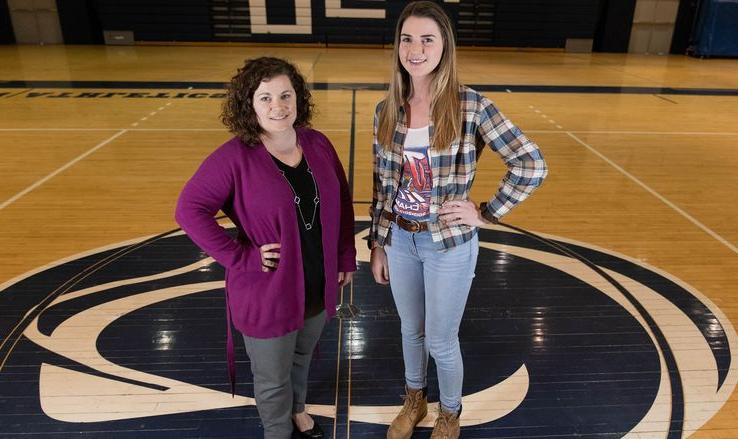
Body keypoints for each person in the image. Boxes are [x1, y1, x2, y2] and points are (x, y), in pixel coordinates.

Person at [367, 2, 548, 438]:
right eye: (407, 38)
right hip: (401, 242)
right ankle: (415, 401)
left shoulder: (471, 107)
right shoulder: (387, 108)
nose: (416, 48)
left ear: (445, 45)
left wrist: (485, 212)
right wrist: (377, 241)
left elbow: (531, 164)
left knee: (441, 341)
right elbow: (382, 183)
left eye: (427, 38)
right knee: (411, 330)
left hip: (448, 244)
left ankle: (449, 413)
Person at [175, 57, 356, 439]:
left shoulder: (317, 143)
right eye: (266, 97)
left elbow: (340, 200)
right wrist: (239, 256)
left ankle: (298, 410)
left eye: (286, 95)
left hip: (318, 282)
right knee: (272, 376)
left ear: (298, 98)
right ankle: (277, 431)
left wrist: (344, 258)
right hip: (268, 289)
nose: (278, 106)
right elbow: (189, 209)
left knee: (302, 356)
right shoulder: (233, 158)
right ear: (249, 105)